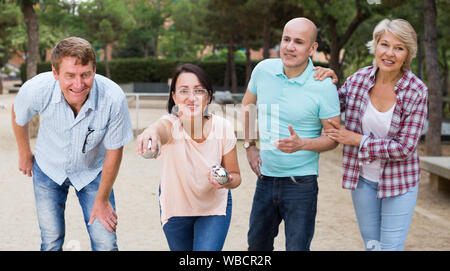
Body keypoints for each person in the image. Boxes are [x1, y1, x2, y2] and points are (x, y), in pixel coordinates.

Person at [11, 37, 133, 251]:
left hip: (92, 171)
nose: (78, 84)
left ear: (94, 70)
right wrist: (24, 153)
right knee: (51, 238)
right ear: (55, 73)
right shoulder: (37, 89)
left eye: (85, 74)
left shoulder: (113, 98)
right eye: (70, 76)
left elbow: (115, 151)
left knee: (105, 241)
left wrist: (102, 200)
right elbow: (18, 114)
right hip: (48, 168)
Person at [316, 19, 428, 250]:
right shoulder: (358, 79)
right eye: (384, 44)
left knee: (390, 247)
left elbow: (405, 147)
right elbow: (331, 106)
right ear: (375, 45)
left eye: (399, 48)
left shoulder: (416, 90)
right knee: (372, 245)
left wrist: (357, 140)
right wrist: (326, 83)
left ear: (408, 55)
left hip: (400, 182)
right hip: (363, 180)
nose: (389, 53)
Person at [242, 17, 341, 251]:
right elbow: (247, 106)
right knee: (256, 248)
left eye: (298, 41)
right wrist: (250, 146)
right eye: (286, 39)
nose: (289, 46)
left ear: (312, 48)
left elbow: (333, 138)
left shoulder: (324, 86)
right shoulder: (264, 69)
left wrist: (302, 144)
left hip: (301, 185)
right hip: (265, 179)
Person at [136, 63, 241, 251]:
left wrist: (227, 180)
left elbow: (236, 176)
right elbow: (160, 129)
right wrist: (150, 132)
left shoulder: (223, 127)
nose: (191, 98)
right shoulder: (170, 124)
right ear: (174, 97)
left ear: (208, 96)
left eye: (199, 90)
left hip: (214, 207)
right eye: (184, 91)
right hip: (176, 207)